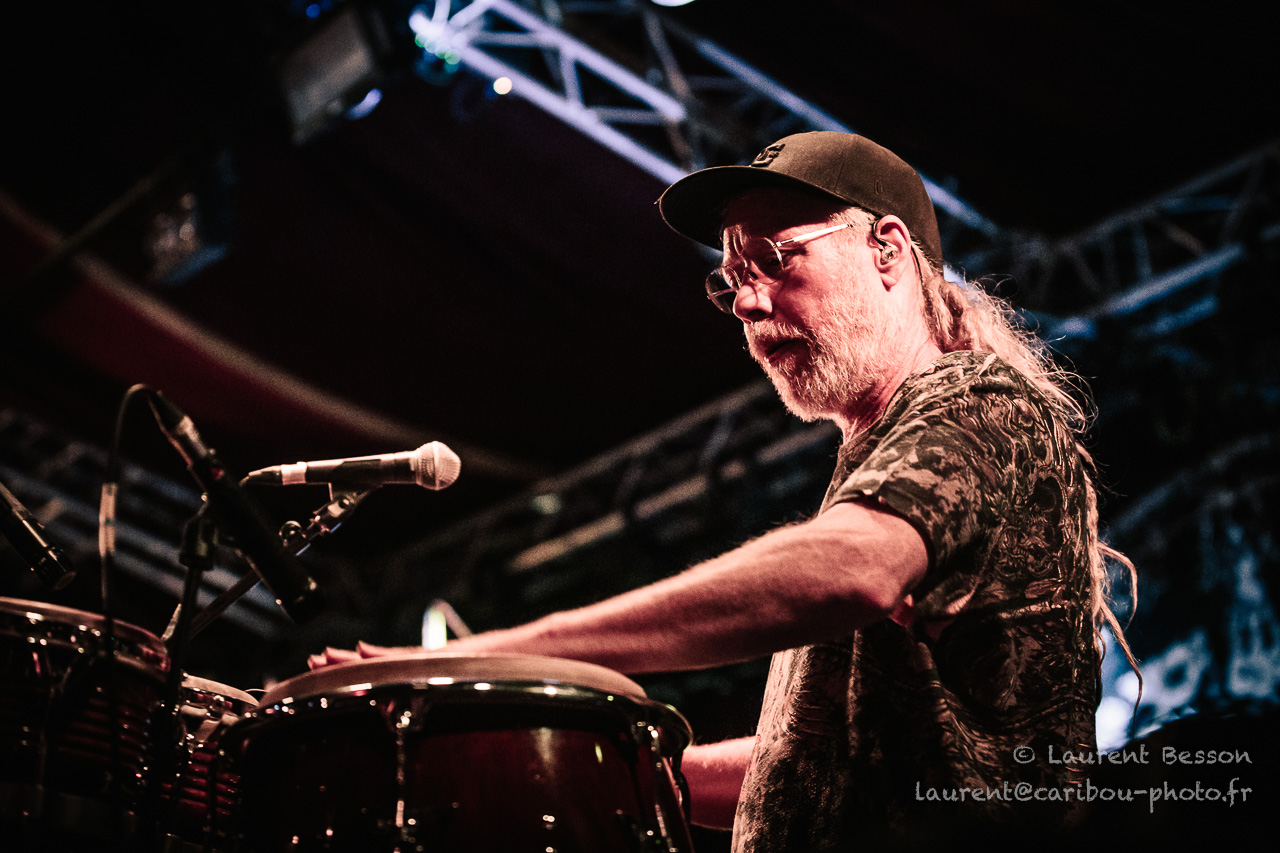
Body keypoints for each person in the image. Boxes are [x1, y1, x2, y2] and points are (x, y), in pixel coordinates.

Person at [311, 131, 1138, 850]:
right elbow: (828, 764)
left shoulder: (980, 400)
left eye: (774, 260)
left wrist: (490, 660)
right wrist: (599, 776)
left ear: (887, 249)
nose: (745, 300)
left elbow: (853, 568)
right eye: (732, 277)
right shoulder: (882, 463)